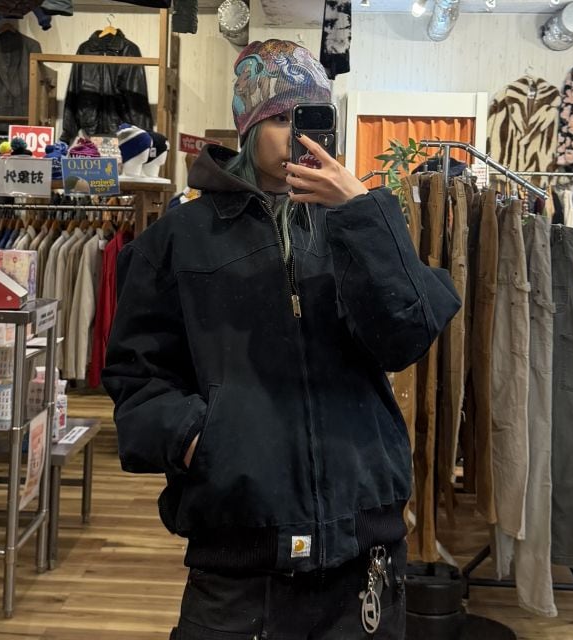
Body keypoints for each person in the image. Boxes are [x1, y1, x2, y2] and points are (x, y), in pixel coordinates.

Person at [102, 39, 460, 640]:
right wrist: (198, 440)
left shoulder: (357, 222)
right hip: (240, 552)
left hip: (362, 550)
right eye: (282, 117)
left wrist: (362, 213)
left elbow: (408, 334)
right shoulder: (180, 237)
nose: (299, 132)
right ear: (248, 127)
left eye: (313, 115)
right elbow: (136, 375)